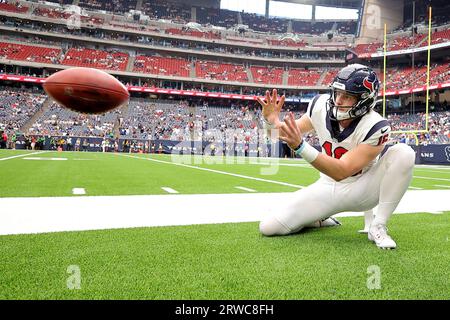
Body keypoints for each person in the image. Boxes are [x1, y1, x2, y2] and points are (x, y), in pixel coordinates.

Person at [257, 64, 415, 249]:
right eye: (337, 93)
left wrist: (300, 147)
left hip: (361, 189)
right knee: (268, 226)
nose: (338, 100)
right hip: (327, 187)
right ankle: (319, 218)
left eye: (347, 96)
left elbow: (342, 171)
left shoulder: (376, 126)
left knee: (404, 153)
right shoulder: (320, 106)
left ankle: (378, 225)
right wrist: (271, 122)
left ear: (365, 99)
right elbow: (282, 134)